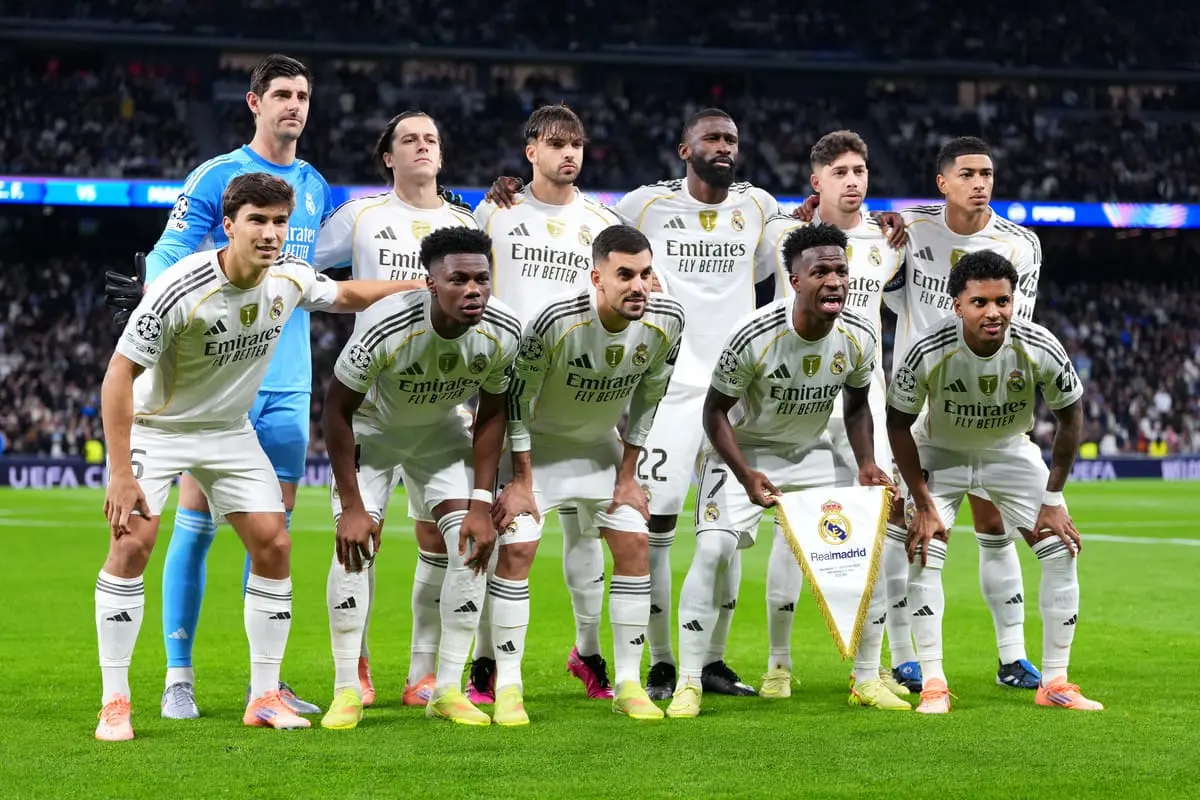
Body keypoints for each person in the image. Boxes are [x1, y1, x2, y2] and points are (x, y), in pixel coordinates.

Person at [93, 173, 409, 741]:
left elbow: (344, 295)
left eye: (280, 221)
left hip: (228, 432)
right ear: (230, 225)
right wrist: (119, 472)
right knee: (133, 544)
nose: (270, 232)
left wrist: (416, 287)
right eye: (257, 221)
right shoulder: (180, 287)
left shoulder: (289, 275)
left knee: (274, 543)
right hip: (159, 428)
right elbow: (118, 377)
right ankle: (115, 701)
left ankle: (263, 694)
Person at [105, 53, 330, 719]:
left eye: (304, 95)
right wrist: (155, 303)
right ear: (254, 103)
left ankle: (267, 684)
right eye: (282, 94)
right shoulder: (216, 175)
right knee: (196, 527)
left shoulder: (314, 185)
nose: (295, 105)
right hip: (214, 384)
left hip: (286, 377)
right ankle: (180, 675)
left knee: (272, 533)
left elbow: (326, 270)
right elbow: (171, 254)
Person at [665, 223, 906, 718]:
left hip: (812, 451)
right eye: (821, 271)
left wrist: (865, 464)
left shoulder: (858, 333)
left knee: (869, 550)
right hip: (745, 450)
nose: (835, 281)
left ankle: (866, 678)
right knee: (713, 550)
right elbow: (715, 413)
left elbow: (858, 407)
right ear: (795, 280)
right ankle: (688, 681)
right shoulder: (755, 334)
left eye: (841, 270)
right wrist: (746, 473)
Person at [319, 227, 520, 729]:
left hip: (440, 433)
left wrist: (480, 501)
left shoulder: (504, 331)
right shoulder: (385, 327)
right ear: (430, 283)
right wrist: (352, 507)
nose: (473, 290)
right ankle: (346, 689)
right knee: (354, 550)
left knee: (473, 547)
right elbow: (335, 412)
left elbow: (493, 412)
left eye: (482, 279)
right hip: (375, 432)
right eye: (458, 280)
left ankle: (447, 689)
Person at [886, 250, 1100, 713]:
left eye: (1003, 301)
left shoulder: (1038, 344)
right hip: (939, 450)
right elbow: (898, 424)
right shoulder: (927, 348)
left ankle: (1056, 682)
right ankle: (934, 683)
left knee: (1063, 548)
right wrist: (920, 500)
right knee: (924, 550)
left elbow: (1071, 417)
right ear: (957, 304)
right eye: (980, 302)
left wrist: (1053, 497)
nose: (994, 312)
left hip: (1008, 451)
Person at [489, 224, 684, 724]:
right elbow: (515, 396)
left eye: (645, 273)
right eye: (624, 275)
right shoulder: (557, 318)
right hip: (537, 448)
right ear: (597, 277)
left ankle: (627, 682)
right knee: (518, 547)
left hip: (599, 447)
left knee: (635, 544)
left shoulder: (669, 319)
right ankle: (508, 686)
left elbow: (648, 400)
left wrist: (627, 476)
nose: (638, 286)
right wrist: (520, 479)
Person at [314, 110, 477, 708]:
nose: (422, 146)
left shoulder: (465, 220)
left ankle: (424, 675)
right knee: (361, 536)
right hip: (373, 400)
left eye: (431, 138)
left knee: (446, 538)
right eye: (408, 139)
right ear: (388, 156)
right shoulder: (360, 217)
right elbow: (304, 277)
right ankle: (352, 671)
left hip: (443, 405)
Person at [468, 104, 624, 704]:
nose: (570, 154)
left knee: (591, 536)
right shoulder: (498, 210)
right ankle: (485, 665)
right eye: (556, 143)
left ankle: (587, 652)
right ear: (529, 149)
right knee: (510, 538)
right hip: (513, 394)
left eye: (577, 144)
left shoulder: (600, 221)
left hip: (586, 398)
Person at [885, 137, 1046, 692]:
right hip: (914, 401)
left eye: (988, 174)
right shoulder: (907, 229)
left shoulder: (1020, 244)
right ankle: (904, 657)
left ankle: (1012, 658)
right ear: (943, 182)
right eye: (969, 174)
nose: (981, 183)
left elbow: (1006, 326)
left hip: (982, 399)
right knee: (908, 529)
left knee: (992, 523)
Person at [756, 131, 909, 699]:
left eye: (861, 170)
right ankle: (777, 664)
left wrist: (898, 219)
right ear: (815, 179)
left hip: (863, 398)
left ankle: (873, 670)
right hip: (794, 397)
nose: (854, 180)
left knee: (884, 529)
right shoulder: (778, 232)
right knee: (790, 533)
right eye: (840, 171)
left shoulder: (892, 239)